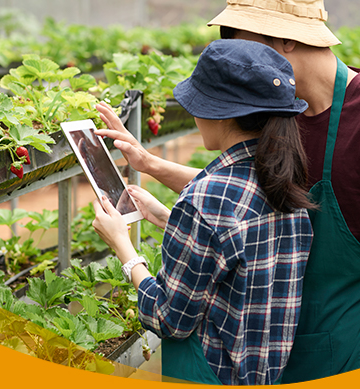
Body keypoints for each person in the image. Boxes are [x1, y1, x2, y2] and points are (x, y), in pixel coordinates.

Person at [97, 0, 360, 383]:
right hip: (277, 343)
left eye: (239, 39)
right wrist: (150, 164)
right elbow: (245, 195)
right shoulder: (279, 115)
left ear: (284, 39)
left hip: (351, 342)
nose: (238, 57)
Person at [92, 39, 314, 385]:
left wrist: (125, 248)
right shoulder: (284, 181)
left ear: (221, 112)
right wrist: (169, 217)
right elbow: (232, 251)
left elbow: (168, 319)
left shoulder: (205, 199)